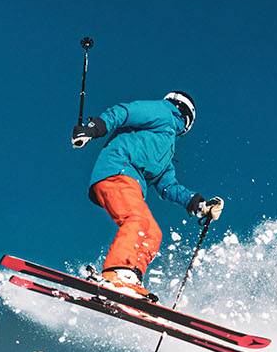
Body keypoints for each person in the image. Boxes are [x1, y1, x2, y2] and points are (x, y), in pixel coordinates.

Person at [71, 91, 223, 297]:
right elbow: (125, 112)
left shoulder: (166, 150)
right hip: (118, 171)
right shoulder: (163, 112)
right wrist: (94, 128)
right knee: (137, 220)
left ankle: (130, 277)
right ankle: (116, 274)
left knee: (152, 233)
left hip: (130, 184)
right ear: (187, 119)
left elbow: (168, 185)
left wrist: (199, 205)